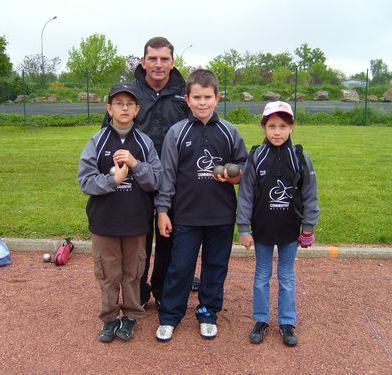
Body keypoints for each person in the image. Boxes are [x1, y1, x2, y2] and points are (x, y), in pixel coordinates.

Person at [102, 37, 199, 308]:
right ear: (142, 62)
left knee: (171, 239)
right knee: (139, 240)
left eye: (164, 59)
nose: (158, 64)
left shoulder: (185, 94)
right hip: (136, 180)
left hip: (175, 181)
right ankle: (139, 293)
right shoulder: (130, 94)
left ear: (172, 62)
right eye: (152, 59)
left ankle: (165, 290)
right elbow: (107, 134)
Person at [154, 69, 248, 342]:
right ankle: (170, 316)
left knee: (215, 267)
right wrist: (162, 211)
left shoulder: (229, 132)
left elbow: (243, 166)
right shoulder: (177, 132)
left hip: (220, 215)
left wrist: (235, 174)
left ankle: (207, 313)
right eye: (197, 97)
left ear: (217, 98)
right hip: (186, 215)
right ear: (187, 99)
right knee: (180, 267)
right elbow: (167, 175)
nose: (202, 103)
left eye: (208, 97)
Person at [78, 83, 162, 343]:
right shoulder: (98, 140)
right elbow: (85, 181)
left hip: (136, 222)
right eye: (118, 103)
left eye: (129, 104)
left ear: (137, 110)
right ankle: (110, 317)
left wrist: (136, 165)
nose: (124, 108)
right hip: (105, 223)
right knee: (108, 273)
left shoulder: (143, 142)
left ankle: (131, 316)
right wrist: (113, 181)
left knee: (133, 273)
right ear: (109, 108)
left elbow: (156, 181)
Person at [236, 101, 320, 346]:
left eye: (283, 126)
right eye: (271, 125)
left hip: (289, 229)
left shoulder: (301, 158)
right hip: (262, 228)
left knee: (286, 276)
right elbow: (246, 194)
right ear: (264, 127)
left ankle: (286, 321)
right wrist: (244, 228)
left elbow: (310, 195)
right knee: (262, 275)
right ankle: (261, 319)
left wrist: (308, 227)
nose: (277, 131)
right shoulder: (256, 156)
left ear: (292, 127)